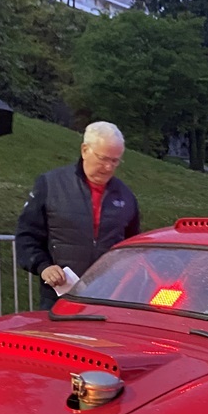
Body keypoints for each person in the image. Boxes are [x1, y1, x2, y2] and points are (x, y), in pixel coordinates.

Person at [16, 121, 141, 310]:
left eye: (115, 161)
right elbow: (27, 236)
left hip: (110, 299)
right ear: (85, 150)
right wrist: (44, 267)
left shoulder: (126, 196)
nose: (108, 167)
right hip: (60, 296)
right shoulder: (51, 185)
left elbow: (133, 246)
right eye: (103, 158)